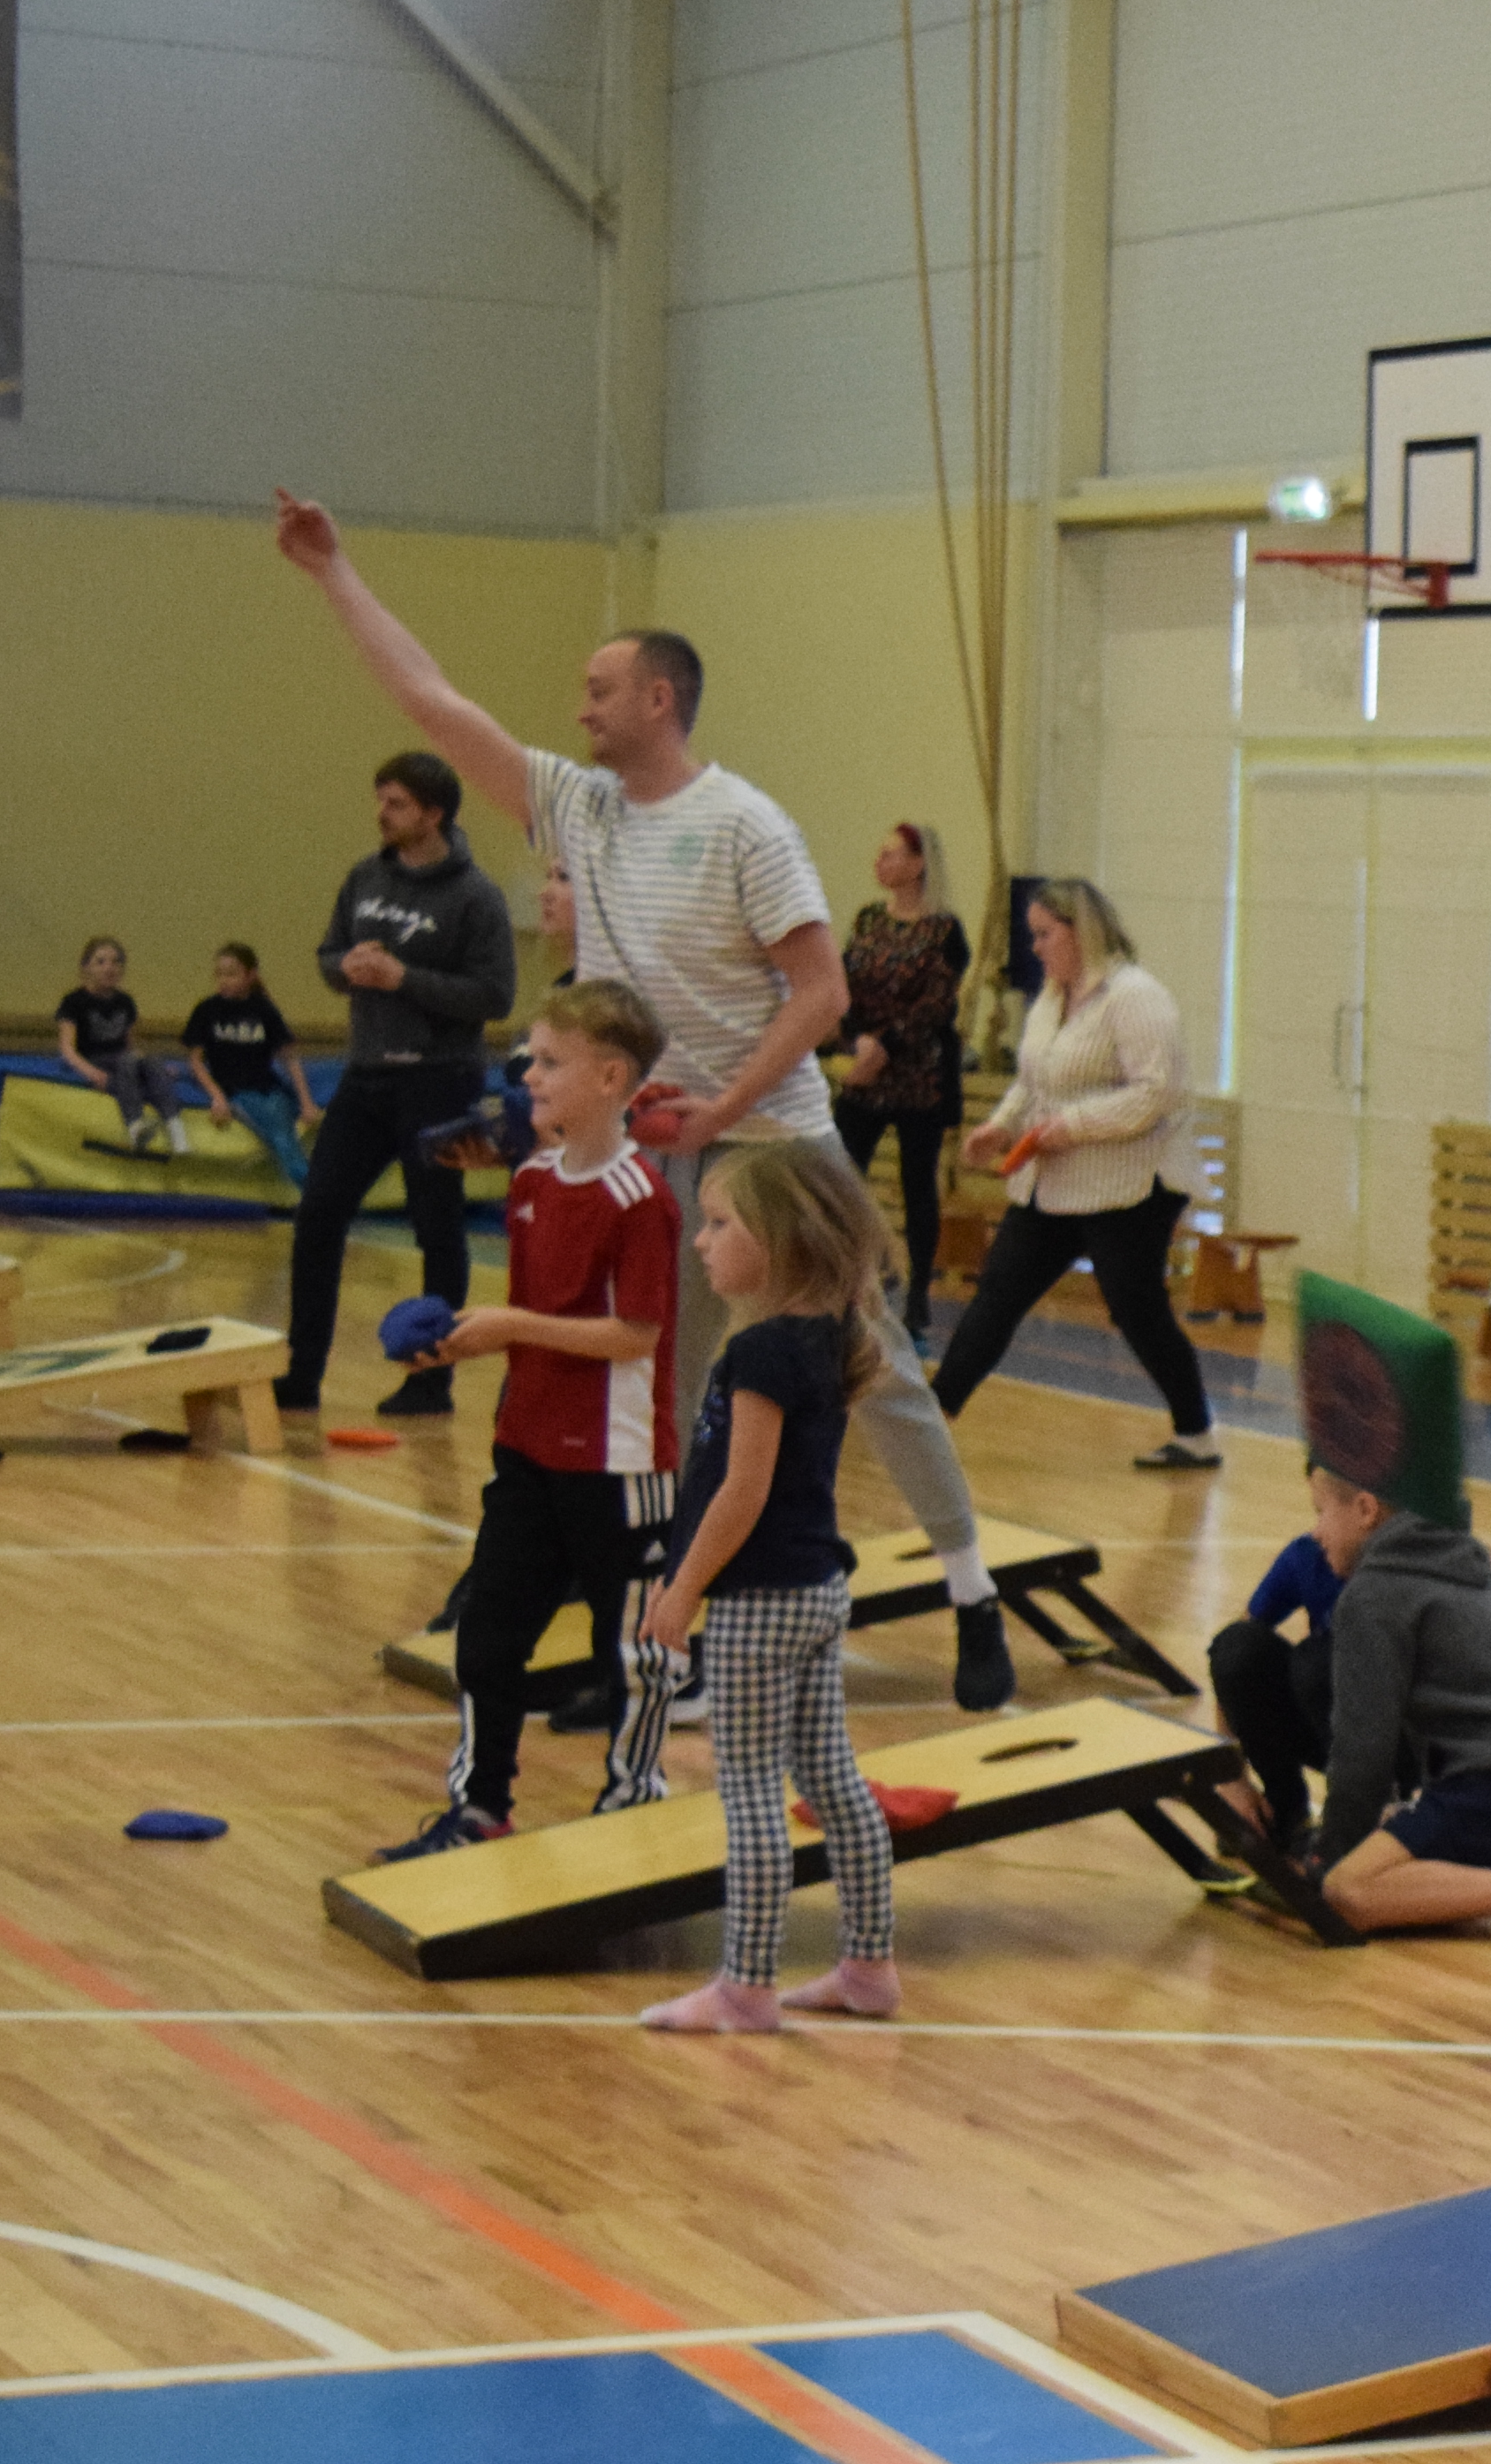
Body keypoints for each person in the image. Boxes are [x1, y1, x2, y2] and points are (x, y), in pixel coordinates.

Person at [270, 488, 1018, 1711]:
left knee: (874, 1376)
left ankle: (973, 1593)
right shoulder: (577, 804)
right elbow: (431, 700)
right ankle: (666, 1643)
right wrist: (332, 571)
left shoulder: (746, 826)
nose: (579, 708)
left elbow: (823, 995)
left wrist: (720, 1112)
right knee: (668, 1401)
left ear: (658, 700)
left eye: (599, 690)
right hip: (655, 1156)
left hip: (772, 1147)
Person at [1203, 1281, 1491, 1954]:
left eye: (1323, 1512)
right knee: (1383, 1874)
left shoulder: (1380, 1592)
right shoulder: (1468, 1567)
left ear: (1367, 1510)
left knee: (1350, 1892)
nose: (1316, 1532)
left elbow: (1364, 1747)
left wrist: (1331, 1858)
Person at [370, 981, 685, 1862]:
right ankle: (480, 1805)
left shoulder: (639, 1199)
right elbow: (535, 1315)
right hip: (529, 1449)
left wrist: (511, 1327)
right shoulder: (534, 1181)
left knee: (628, 1654)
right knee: (487, 1637)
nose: (529, 1076)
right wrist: (466, 1342)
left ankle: (633, 1800)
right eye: (532, 1059)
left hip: (618, 1465)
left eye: (550, 1062)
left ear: (611, 1075)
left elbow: (636, 1335)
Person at [636, 1146, 905, 2037]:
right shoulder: (829, 1335)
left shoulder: (761, 1350)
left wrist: (680, 1592)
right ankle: (869, 1963)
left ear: (782, 1242)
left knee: (748, 1786)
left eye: (721, 1226)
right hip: (818, 1589)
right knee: (831, 1777)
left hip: (759, 1599)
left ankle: (746, 1986)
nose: (703, 1242)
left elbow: (739, 1492)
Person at [930, 878, 1220, 1466]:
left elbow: (1157, 1094)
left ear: (1079, 930)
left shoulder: (1136, 996)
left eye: (1043, 934)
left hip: (1132, 1186)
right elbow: (1033, 1081)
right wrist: (1003, 1126)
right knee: (997, 1295)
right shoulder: (1051, 997)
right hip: (1053, 1183)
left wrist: (1071, 1126)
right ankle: (933, 1419)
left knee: (1136, 1308)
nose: (1034, 947)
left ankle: (1196, 1433)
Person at [278, 749, 515, 1421]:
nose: (381, 814)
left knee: (437, 1230)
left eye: (397, 804)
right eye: (380, 800)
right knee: (318, 1213)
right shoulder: (364, 878)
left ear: (434, 815)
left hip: (439, 1082)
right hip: (367, 1076)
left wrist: (404, 978)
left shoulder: (476, 895)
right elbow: (328, 957)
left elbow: (495, 996)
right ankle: (300, 1373)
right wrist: (345, 965)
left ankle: (429, 1379)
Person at [831, 823, 972, 1340]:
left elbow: (936, 1006)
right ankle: (853, 1279)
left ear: (918, 864)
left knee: (917, 1188)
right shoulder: (868, 919)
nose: (880, 862)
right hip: (865, 1071)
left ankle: (917, 1298)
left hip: (918, 1077)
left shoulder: (944, 931)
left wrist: (883, 1046)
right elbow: (845, 983)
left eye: (891, 854)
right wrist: (853, 1042)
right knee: (839, 1176)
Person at [182, 945, 317, 1193]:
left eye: (232, 973)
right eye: (219, 974)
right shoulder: (207, 1010)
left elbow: (289, 1059)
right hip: (237, 1091)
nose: (224, 980)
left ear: (250, 975)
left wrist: (307, 1101)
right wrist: (217, 1096)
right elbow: (196, 1062)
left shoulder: (264, 1010)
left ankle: (319, 1190)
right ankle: (314, 1192)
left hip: (267, 1086)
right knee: (281, 1137)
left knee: (285, 1125)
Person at [50, 941, 181, 1156]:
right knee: (128, 1066)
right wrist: (91, 1073)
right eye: (100, 962)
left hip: (122, 1063)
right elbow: (67, 1049)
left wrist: (156, 1069)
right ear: (86, 967)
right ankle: (135, 1126)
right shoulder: (74, 1001)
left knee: (149, 1066)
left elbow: (131, 1047)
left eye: (116, 962)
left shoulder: (125, 1002)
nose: (109, 968)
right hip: (94, 1061)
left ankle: (175, 1128)